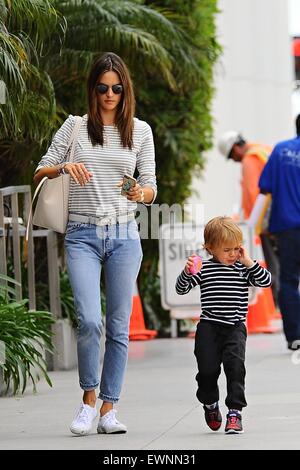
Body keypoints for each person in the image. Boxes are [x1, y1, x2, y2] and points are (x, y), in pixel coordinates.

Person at [34, 52, 157, 435]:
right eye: (103, 88)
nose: (109, 94)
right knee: (89, 320)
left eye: (117, 88)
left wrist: (142, 193)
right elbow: (40, 169)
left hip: (123, 235)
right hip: (82, 234)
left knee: (118, 326)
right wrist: (63, 167)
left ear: (125, 90)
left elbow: (151, 185)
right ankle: (87, 401)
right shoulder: (73, 127)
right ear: (93, 89)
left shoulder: (140, 131)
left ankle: (109, 408)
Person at [175, 216, 271, 434]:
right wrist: (187, 272)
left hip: (235, 328)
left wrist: (249, 262)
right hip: (208, 327)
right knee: (207, 371)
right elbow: (181, 289)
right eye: (227, 250)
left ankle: (235, 413)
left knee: (235, 369)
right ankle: (210, 404)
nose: (233, 254)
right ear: (210, 248)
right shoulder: (205, 269)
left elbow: (266, 281)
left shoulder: (243, 268)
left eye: (237, 249)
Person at [218, 131, 279, 307]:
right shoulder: (264, 149)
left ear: (236, 148)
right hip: (282, 215)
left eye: (231, 156)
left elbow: (254, 194)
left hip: (267, 220)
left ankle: (278, 304)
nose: (234, 160)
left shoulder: (249, 160)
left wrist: (258, 225)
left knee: (274, 263)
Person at [259, 114, 300, 351]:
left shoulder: (281, 151)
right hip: (287, 226)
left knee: (288, 280)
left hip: (287, 227)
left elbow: (265, 187)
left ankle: (295, 336)